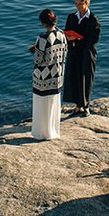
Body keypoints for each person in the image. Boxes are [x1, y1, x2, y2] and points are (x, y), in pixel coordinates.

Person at [30, 9, 69, 140]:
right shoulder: (62, 34)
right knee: (53, 104)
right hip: (57, 75)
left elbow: (38, 59)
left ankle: (41, 133)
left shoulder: (42, 38)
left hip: (43, 77)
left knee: (41, 104)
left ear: (43, 23)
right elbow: (64, 53)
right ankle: (52, 131)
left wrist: (34, 50)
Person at [63, 0, 101, 116]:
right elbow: (67, 32)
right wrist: (68, 38)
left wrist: (77, 39)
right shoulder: (72, 17)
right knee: (74, 77)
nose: (77, 7)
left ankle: (86, 105)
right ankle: (77, 105)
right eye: (76, 4)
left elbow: (93, 40)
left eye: (80, 4)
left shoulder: (93, 20)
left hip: (87, 53)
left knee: (86, 78)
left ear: (86, 3)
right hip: (74, 51)